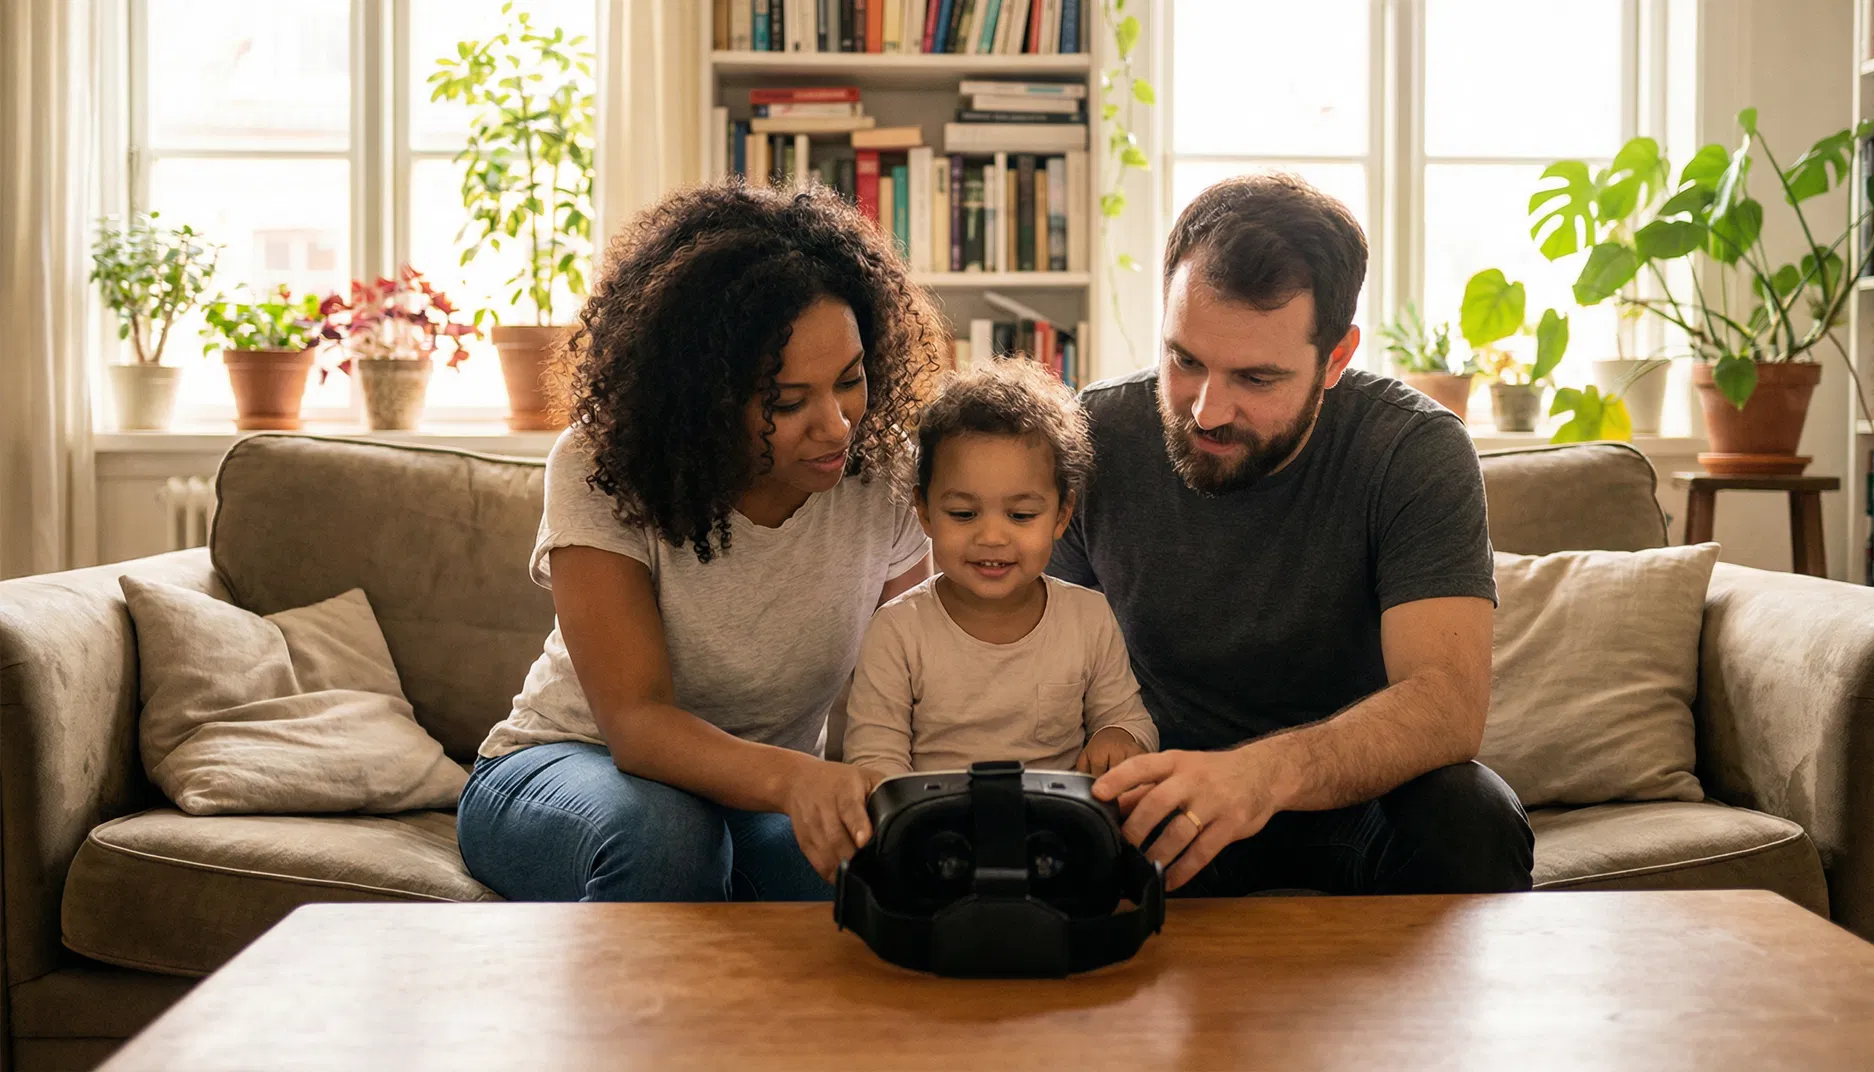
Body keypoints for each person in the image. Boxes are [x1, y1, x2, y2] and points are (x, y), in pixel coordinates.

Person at [1049, 172, 1535, 896]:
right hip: (1158, 800)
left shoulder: (1413, 450)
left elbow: (1447, 704)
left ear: (1336, 358)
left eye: (1256, 378)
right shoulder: (1092, 435)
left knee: (1471, 813)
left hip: (1350, 803)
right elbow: (1029, 654)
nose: (1208, 411)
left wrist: (1258, 777)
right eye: (1184, 360)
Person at [457, 183, 940, 902]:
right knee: (669, 837)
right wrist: (798, 780)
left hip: (752, 804)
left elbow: (911, 693)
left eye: (850, 381)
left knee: (868, 870)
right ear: (705, 397)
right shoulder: (604, 467)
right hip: (566, 768)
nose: (836, 424)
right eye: (787, 401)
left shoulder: (888, 472)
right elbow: (637, 725)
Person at [842, 360, 1158, 779]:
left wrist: (1118, 735)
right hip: (936, 831)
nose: (992, 537)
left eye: (1022, 515)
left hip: (1055, 828)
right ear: (925, 512)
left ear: (1062, 515)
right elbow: (873, 758)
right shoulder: (898, 630)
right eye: (963, 513)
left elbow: (1131, 720)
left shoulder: (1089, 619)